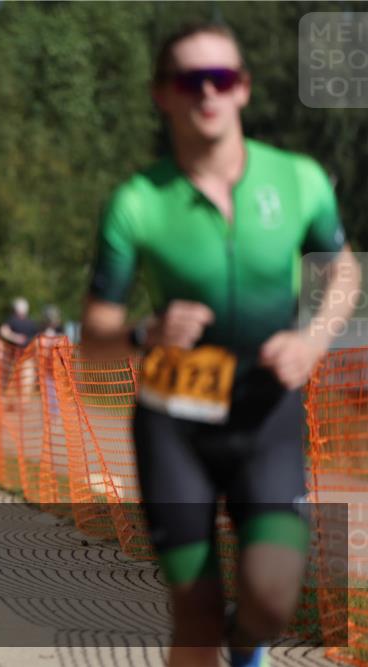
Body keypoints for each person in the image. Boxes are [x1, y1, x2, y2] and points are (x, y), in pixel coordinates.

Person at [80, 23, 359, 667]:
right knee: (196, 615)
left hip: (266, 416)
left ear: (243, 89)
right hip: (175, 425)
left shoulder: (298, 180)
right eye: (189, 81)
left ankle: (245, 646)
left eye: (222, 78)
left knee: (272, 600)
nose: (207, 92)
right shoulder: (137, 203)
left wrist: (312, 340)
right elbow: (93, 337)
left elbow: (343, 271)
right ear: (162, 94)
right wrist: (145, 333)